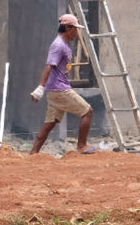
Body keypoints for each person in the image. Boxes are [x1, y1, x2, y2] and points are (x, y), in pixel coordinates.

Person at [29, 13, 96, 155]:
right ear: (68, 28)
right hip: (60, 90)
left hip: (55, 90)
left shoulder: (63, 44)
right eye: (75, 29)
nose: (77, 32)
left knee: (49, 124)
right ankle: (82, 146)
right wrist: (41, 87)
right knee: (87, 112)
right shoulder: (58, 45)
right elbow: (49, 66)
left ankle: (33, 153)